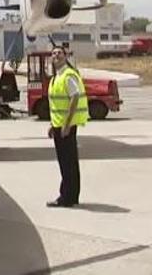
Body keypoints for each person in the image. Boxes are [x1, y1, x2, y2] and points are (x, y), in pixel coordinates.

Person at [46, 45, 88, 208]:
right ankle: (71, 196)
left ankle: (66, 197)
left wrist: (67, 124)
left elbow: (74, 97)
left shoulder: (68, 75)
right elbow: (56, 105)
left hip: (65, 127)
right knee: (67, 161)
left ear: (65, 56)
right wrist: (52, 124)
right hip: (58, 125)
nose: (56, 55)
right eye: (54, 53)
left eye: (59, 53)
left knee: (67, 162)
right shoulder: (56, 77)